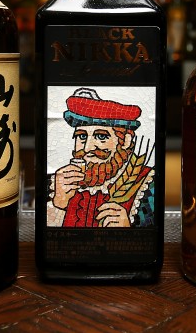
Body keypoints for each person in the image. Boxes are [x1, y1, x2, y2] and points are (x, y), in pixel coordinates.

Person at [48, 87, 156, 228]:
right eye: (82, 136)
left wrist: (127, 227)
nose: (87, 148)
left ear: (126, 141)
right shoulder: (55, 183)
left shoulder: (148, 185)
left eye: (101, 136)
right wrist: (58, 204)